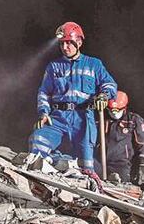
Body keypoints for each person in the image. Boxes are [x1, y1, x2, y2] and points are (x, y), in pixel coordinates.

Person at [29, 22, 117, 172]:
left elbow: (109, 83)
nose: (65, 47)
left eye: (69, 43)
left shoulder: (94, 64)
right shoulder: (54, 66)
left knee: (86, 164)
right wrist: (43, 112)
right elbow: (44, 92)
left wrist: (104, 96)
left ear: (79, 42)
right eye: (62, 44)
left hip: (83, 119)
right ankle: (54, 164)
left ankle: (85, 176)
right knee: (38, 140)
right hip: (58, 117)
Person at [101, 91, 144, 185]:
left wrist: (143, 166)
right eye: (111, 110)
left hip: (122, 164)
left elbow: (142, 145)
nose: (114, 113)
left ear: (124, 108)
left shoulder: (133, 120)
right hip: (102, 162)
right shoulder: (101, 118)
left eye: (118, 110)